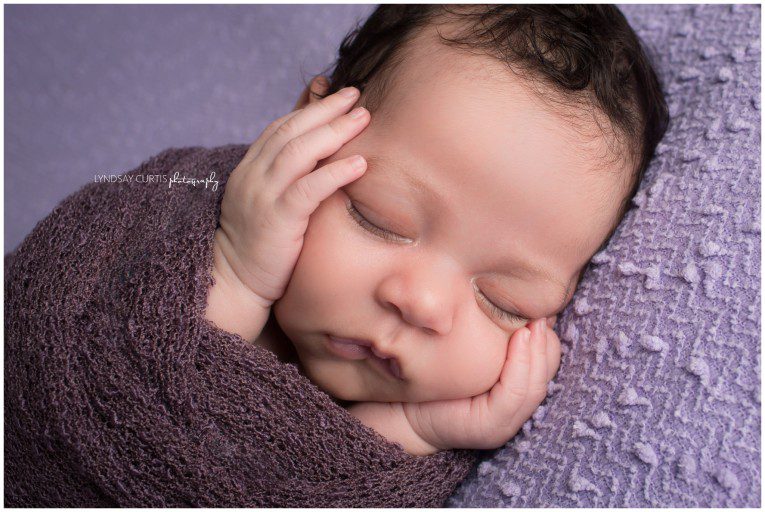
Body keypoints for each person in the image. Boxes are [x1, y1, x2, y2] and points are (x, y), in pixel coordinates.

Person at [204, 4, 669, 456]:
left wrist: (413, 432)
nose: (422, 304)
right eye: (378, 219)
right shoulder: (185, 204)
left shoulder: (436, 420)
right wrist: (233, 275)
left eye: (503, 302)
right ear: (307, 129)